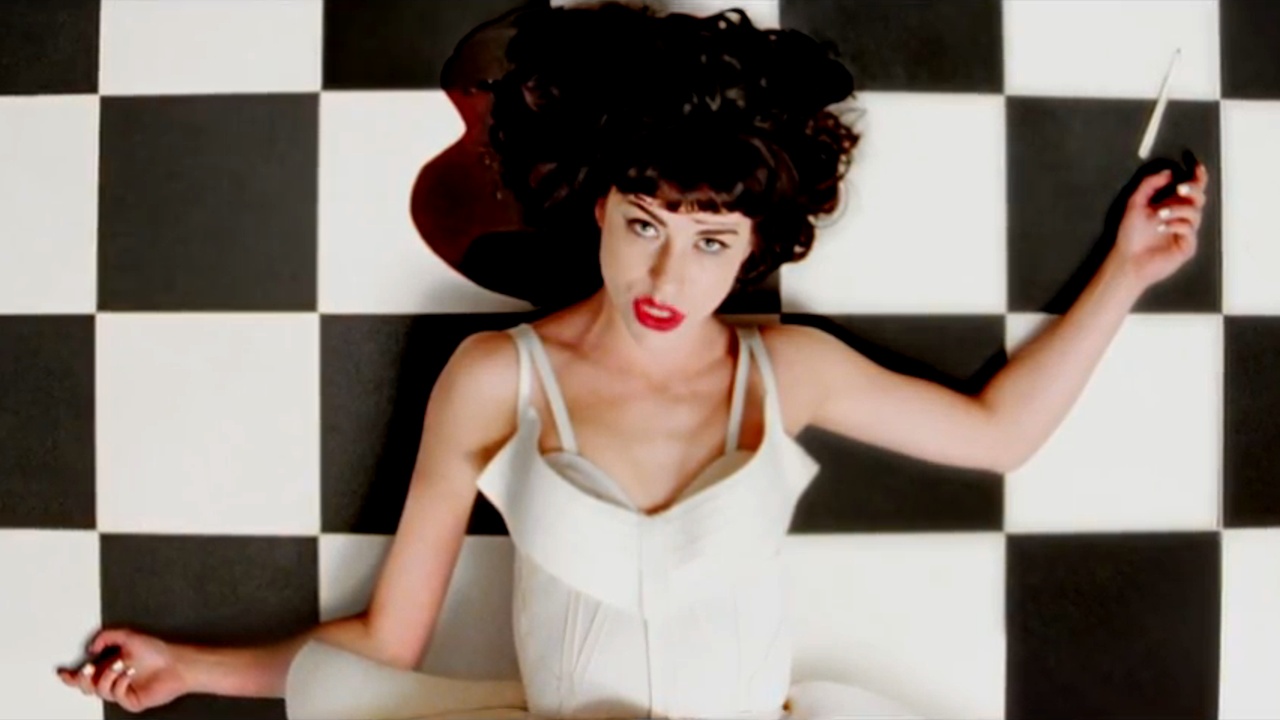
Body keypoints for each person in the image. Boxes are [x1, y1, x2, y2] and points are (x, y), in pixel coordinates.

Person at [56, 2, 1209, 718]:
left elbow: (1000, 435)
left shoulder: (789, 370)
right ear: (597, 207)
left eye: (710, 241)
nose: (666, 275)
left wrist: (1123, 272)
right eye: (644, 223)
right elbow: (386, 640)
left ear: (753, 247)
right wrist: (192, 668)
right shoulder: (496, 378)